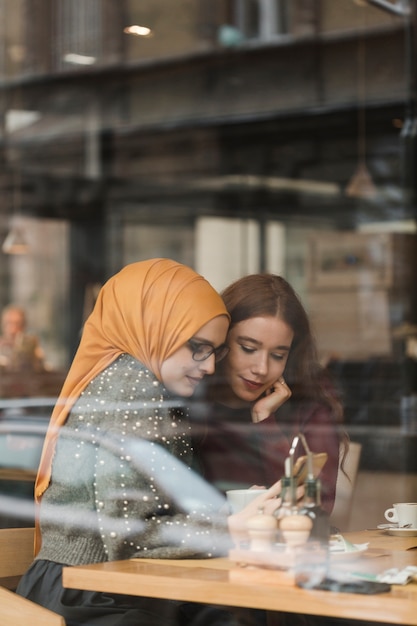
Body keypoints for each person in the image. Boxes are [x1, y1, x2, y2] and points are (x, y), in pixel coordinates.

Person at [16, 259, 281, 626]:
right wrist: (231, 526)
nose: (208, 367)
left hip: (95, 586)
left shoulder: (139, 382)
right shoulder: (131, 386)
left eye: (213, 351)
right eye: (196, 347)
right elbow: (129, 536)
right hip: (91, 597)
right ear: (154, 328)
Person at [191, 273, 348, 516]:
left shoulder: (310, 403)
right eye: (249, 349)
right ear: (221, 340)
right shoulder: (192, 396)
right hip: (210, 548)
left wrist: (265, 421)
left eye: (278, 355)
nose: (261, 369)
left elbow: (315, 509)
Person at [0, 305, 45, 374]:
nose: (12, 330)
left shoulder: (32, 347)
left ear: (24, 326)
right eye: (8, 323)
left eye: (17, 324)